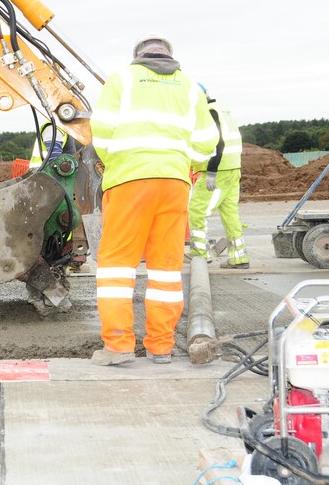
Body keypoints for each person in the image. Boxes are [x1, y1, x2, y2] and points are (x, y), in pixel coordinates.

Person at [89, 35, 218, 366]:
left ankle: (118, 345)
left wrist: (118, 162)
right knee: (166, 268)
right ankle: (160, 347)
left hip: (130, 181)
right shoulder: (190, 87)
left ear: (138, 56)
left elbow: (100, 134)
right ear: (169, 56)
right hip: (174, 182)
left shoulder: (122, 79)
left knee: (117, 264)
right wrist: (181, 163)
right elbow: (206, 143)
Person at [188, 84, 249, 269]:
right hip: (233, 168)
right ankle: (239, 257)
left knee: (197, 211)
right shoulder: (223, 110)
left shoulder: (209, 112)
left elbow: (218, 142)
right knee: (230, 213)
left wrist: (212, 171)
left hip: (217, 170)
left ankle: (199, 254)